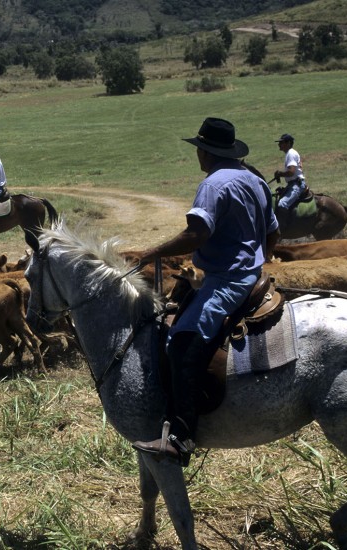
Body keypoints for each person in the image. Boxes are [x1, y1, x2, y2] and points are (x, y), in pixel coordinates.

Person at [131, 118, 280, 466]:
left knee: (182, 340)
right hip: (250, 274)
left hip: (226, 280)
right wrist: (257, 256)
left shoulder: (213, 185)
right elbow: (273, 233)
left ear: (205, 151)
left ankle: (181, 436)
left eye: (198, 148)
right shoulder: (255, 180)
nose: (197, 154)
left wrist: (152, 252)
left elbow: (196, 234)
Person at [273, 133, 307, 216]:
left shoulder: (291, 153)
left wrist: (280, 174)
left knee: (282, 204)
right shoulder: (290, 153)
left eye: (281, 142)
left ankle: (284, 227)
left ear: (288, 143)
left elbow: (291, 172)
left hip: (297, 185)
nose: (279, 144)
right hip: (292, 184)